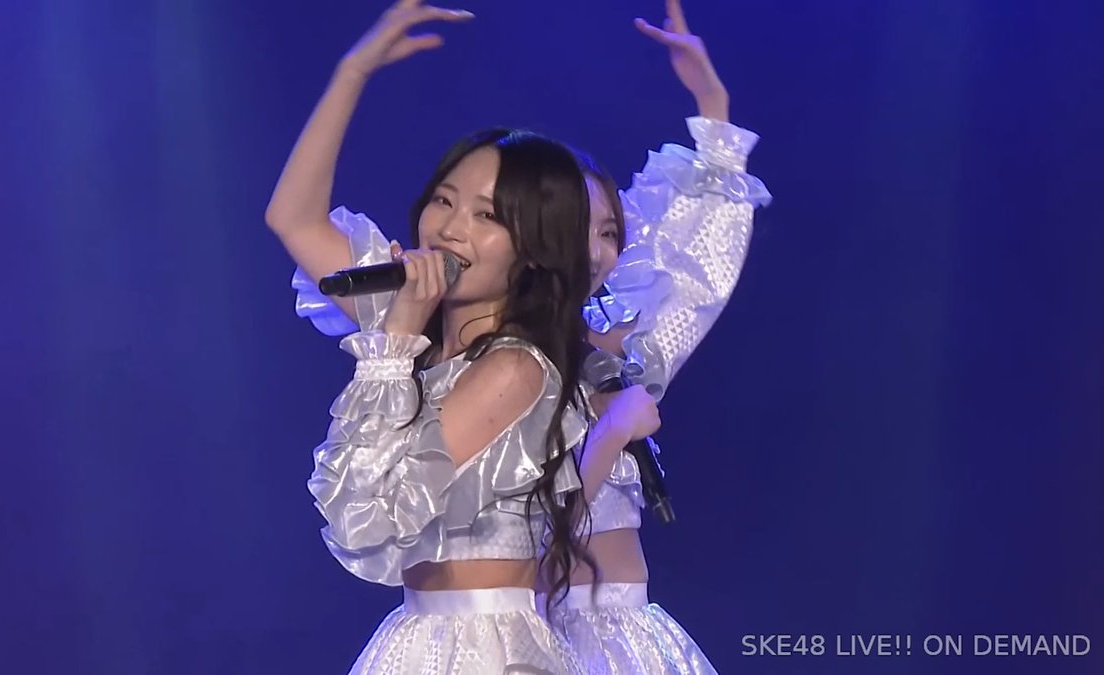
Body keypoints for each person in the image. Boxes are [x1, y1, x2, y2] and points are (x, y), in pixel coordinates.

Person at [265, 3, 598, 673]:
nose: (448, 228)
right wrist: (352, 72)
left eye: (486, 217)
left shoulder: (514, 368)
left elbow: (369, 519)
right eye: (444, 200)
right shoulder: (413, 319)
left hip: (484, 647)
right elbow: (293, 218)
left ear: (534, 249)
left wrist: (393, 340)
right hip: (421, 636)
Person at [542, 2, 772, 673]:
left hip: (624, 637)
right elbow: (530, 536)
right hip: (527, 636)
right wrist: (611, 432)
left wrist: (713, 107)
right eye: (577, 229)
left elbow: (696, 266)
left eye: (610, 232)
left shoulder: (617, 342)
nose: (597, 251)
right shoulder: (493, 352)